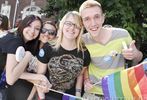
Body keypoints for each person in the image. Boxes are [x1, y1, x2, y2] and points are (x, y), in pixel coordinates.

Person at [79, 0, 143, 99]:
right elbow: (83, 65)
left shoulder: (122, 35)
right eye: (87, 19)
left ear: (103, 18)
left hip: (118, 91)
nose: (93, 23)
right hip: (93, 93)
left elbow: (138, 58)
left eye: (97, 17)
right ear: (82, 22)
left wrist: (135, 54)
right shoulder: (82, 41)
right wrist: (86, 80)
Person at [36, 11, 91, 100]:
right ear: (62, 25)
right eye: (68, 23)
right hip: (48, 96)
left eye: (76, 26)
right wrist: (42, 97)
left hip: (70, 98)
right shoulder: (48, 47)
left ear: (80, 30)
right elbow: (39, 76)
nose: (72, 28)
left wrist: (77, 95)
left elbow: (80, 75)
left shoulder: (84, 53)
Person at [0, 15, 50, 100]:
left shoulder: (25, 43)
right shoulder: (15, 40)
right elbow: (11, 78)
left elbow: (19, 73)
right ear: (23, 25)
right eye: (29, 25)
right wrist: (27, 56)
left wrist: (40, 78)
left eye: (37, 29)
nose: (32, 31)